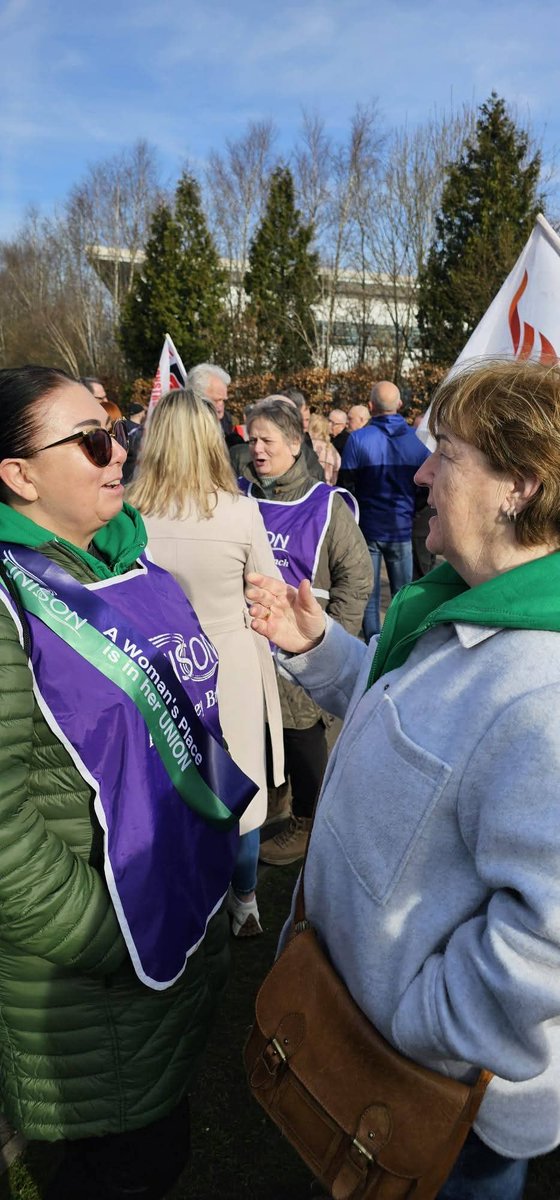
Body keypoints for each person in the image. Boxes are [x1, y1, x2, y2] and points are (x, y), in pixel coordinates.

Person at [246, 358, 560, 1200]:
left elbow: (547, 944)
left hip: (440, 1104)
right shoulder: (465, 602)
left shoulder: (546, 690)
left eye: (446, 452)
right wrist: (319, 647)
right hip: (373, 1042)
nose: (419, 471)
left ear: (518, 488)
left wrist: (417, 1024)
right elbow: (412, 719)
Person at [0, 366, 254, 1199]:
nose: (120, 454)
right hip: (93, 970)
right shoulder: (11, 596)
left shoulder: (131, 560)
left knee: (157, 1151)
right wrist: (107, 936)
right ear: (20, 476)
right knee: (123, 1171)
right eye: (92, 441)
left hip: (168, 927)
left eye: (115, 431)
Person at [128, 388, 284, 937]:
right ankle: (244, 900)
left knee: (170, 781)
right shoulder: (241, 512)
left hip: (154, 662)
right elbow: (270, 589)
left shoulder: (129, 513)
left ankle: (192, 897)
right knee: (236, 785)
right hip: (230, 663)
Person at [239, 396, 372, 866]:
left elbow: (357, 576)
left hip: (300, 642)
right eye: (250, 438)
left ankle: (308, 819)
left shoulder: (325, 504)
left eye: (266, 440)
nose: (256, 448)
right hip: (247, 639)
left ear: (295, 445)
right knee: (260, 726)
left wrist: (334, 639)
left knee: (301, 731)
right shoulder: (240, 495)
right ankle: (275, 798)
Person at [340, 381, 430, 640]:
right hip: (401, 526)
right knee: (403, 594)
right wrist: (411, 510)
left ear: (370, 407)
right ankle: (399, 643)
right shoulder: (417, 440)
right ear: (400, 405)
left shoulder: (357, 439)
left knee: (369, 593)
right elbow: (426, 488)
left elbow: (346, 488)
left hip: (368, 527)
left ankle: (372, 646)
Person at [187, 362, 234, 436]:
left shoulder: (226, 420)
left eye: (223, 400)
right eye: (216, 400)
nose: (221, 405)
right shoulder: (183, 424)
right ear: (197, 398)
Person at [308, 411, 341, 485]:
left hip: (306, 489)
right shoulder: (332, 450)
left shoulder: (305, 446)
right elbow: (335, 475)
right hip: (325, 489)